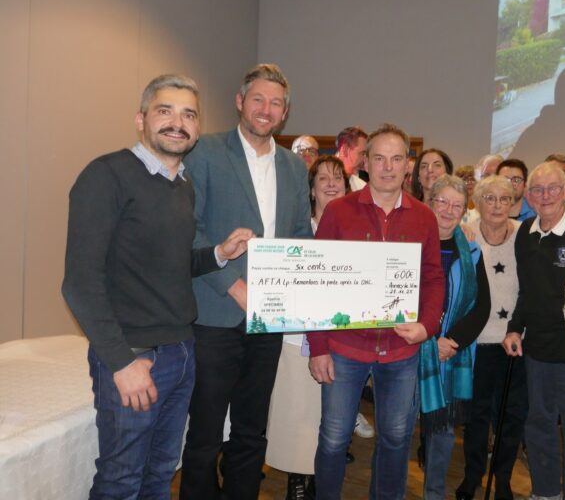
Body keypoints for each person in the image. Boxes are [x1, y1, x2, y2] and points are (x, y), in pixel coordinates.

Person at [61, 74, 254, 499]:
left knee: (161, 474)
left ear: (197, 128)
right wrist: (120, 363)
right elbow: (79, 283)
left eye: (189, 115)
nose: (177, 123)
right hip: (134, 355)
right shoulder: (105, 175)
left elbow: (174, 264)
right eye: (165, 111)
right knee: (122, 479)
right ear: (141, 119)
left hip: (181, 351)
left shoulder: (182, 185)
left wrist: (219, 254)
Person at [180, 63, 313, 500]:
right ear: (240, 101)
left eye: (275, 103)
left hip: (268, 320)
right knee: (205, 432)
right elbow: (190, 231)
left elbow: (300, 238)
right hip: (216, 314)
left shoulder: (294, 167)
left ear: (285, 112)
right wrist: (235, 287)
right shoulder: (204, 151)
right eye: (258, 99)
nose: (265, 109)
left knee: (252, 430)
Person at [307, 123, 445, 499]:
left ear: (407, 165)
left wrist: (427, 326)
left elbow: (434, 278)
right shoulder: (338, 212)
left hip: (401, 350)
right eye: (379, 158)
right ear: (365, 162)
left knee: (397, 438)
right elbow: (316, 281)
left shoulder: (424, 217)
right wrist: (318, 347)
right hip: (344, 348)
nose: (387, 167)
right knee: (334, 438)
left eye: (396, 159)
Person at [502, 162, 565, 500]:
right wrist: (515, 328)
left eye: (552, 188)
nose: (545, 196)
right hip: (538, 351)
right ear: (528, 196)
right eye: (537, 190)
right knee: (539, 427)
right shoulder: (525, 233)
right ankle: (545, 493)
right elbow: (526, 290)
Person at [266, 155, 350, 499]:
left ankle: (321, 478)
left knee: (329, 417)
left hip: (342, 341)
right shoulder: (297, 228)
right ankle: (297, 481)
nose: (331, 184)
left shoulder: (355, 230)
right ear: (311, 190)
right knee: (296, 413)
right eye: (323, 179)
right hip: (294, 338)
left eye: (338, 178)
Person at [456, 175, 527, 500]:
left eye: (504, 199)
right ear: (477, 202)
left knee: (510, 418)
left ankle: (503, 479)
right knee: (476, 416)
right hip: (478, 343)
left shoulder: (526, 235)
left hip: (515, 342)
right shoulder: (466, 234)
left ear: (513, 203)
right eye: (489, 198)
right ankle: (472, 476)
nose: (497, 205)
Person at [420, 174, 491, 500]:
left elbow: (482, 306)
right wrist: (428, 340)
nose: (449, 210)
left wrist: (451, 341)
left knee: (442, 432)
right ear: (430, 202)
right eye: (443, 202)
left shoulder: (472, 252)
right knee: (398, 429)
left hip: (451, 353)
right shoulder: (410, 245)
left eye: (457, 205)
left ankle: (434, 494)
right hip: (411, 348)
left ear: (464, 211)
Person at [496, 157, 535, 221]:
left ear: (525, 184)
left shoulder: (536, 214)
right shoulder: (488, 214)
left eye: (516, 180)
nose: (510, 184)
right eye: (505, 179)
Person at [336, 126, 368, 191]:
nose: (365, 159)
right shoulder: (321, 175)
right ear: (345, 149)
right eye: (362, 153)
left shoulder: (364, 183)